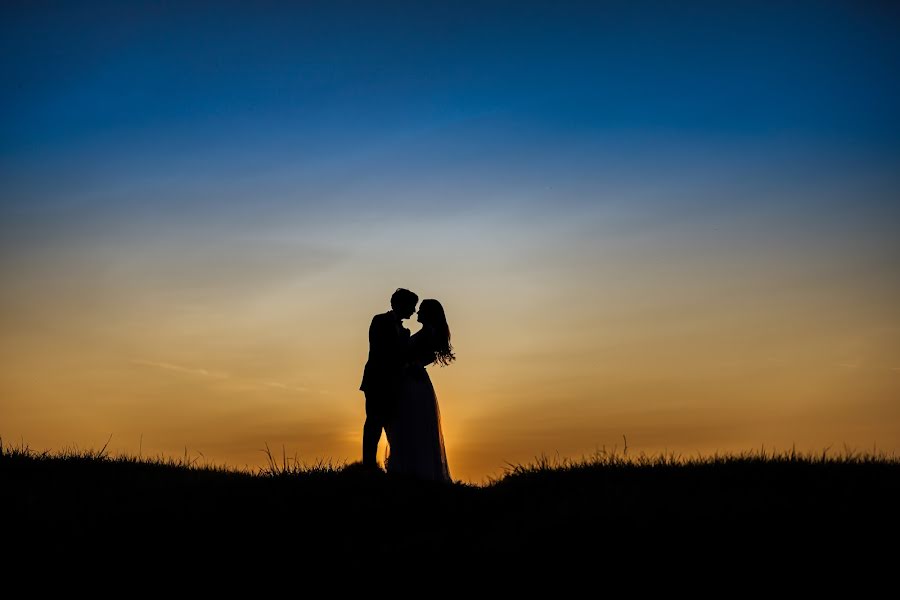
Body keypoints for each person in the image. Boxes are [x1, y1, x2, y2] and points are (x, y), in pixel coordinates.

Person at [385, 298, 454, 483]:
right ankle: (411, 471)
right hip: (413, 380)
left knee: (411, 425)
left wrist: (412, 364)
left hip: (414, 383)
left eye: (422, 310)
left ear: (429, 313)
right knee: (411, 425)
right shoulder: (426, 332)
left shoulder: (428, 333)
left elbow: (425, 356)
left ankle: (413, 472)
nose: (417, 313)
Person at [360, 288, 418, 469]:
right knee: (374, 423)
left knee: (393, 426)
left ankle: (396, 464)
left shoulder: (403, 329)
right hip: (378, 381)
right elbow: (381, 350)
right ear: (400, 304)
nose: (414, 311)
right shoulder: (380, 321)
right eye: (412, 306)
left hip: (395, 384)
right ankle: (368, 465)